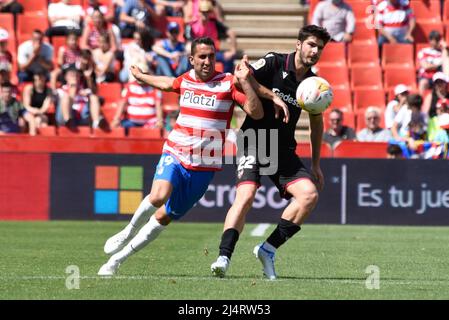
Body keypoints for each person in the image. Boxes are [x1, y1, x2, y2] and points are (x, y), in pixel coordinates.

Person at [97, 36, 265, 276]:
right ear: (192, 59)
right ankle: (128, 230)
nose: (207, 61)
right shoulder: (186, 79)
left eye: (211, 56)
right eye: (202, 57)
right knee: (158, 195)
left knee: (164, 216)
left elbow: (256, 113)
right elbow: (168, 83)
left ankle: (117, 261)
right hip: (175, 151)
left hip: (205, 164)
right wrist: (142, 76)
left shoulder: (228, 83)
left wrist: (245, 82)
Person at [210, 25, 331, 280]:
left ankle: (268, 249)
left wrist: (316, 164)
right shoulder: (274, 62)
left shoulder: (313, 84)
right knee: (246, 195)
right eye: (311, 44)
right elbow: (240, 78)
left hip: (283, 148)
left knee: (309, 196)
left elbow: (316, 123)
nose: (315, 51)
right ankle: (224, 256)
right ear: (298, 44)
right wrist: (272, 96)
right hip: (254, 140)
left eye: (320, 48)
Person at [111, 62, 163, 130]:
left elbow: (158, 105)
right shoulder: (129, 86)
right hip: (130, 122)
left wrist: (159, 121)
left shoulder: (154, 87)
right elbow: (122, 103)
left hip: (150, 122)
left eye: (143, 74)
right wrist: (116, 119)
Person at [22, 70, 53, 136]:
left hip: (41, 113)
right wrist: (35, 111)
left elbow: (45, 106)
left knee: (42, 122)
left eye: (40, 79)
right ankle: (33, 142)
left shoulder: (48, 90)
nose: (38, 81)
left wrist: (39, 112)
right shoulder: (29, 89)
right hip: (29, 112)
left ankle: (42, 143)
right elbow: (26, 106)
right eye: (36, 79)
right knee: (34, 121)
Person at [417, 30, 443, 96]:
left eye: (438, 40)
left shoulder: (444, 53)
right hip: (426, 77)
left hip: (439, 78)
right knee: (423, 83)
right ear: (430, 40)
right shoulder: (423, 51)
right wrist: (439, 65)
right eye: (435, 40)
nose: (437, 42)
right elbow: (426, 66)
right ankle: (420, 103)